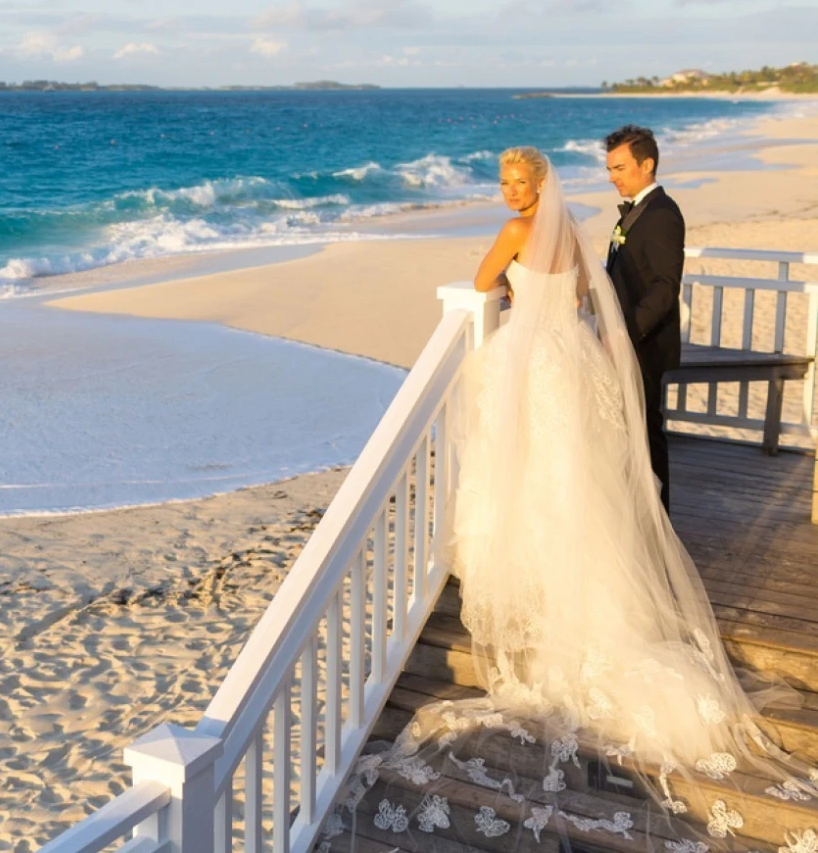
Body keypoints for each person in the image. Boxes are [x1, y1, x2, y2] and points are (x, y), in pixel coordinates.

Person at [336, 147, 815, 848]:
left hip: (532, 367)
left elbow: (483, 289)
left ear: (534, 188)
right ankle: (579, 599)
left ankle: (537, 599)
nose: (506, 191)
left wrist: (510, 300)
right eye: (503, 181)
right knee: (575, 489)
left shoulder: (513, 235)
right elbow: (590, 300)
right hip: (572, 364)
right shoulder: (576, 235)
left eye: (514, 182)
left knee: (526, 480)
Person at [604, 125, 685, 511]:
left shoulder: (662, 214)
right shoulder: (639, 210)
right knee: (634, 432)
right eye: (610, 169)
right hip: (630, 340)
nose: (612, 177)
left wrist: (626, 332)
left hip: (644, 345)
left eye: (619, 167)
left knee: (648, 434)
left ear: (647, 164)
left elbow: (664, 288)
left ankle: (659, 523)